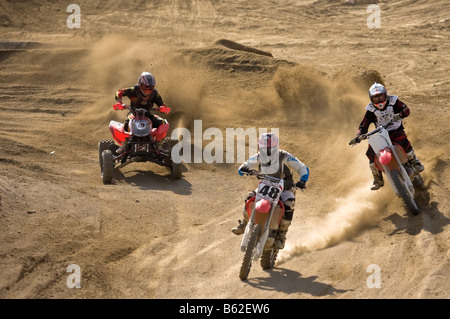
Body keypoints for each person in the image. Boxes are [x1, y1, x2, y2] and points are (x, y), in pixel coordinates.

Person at [231, 132, 310, 249]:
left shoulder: (284, 156)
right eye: (263, 149)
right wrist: (244, 169)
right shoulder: (258, 157)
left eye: (268, 149)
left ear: (275, 148)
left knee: (288, 206)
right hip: (266, 186)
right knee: (250, 197)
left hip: (285, 188)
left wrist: (302, 180)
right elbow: (245, 165)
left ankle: (282, 235)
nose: (266, 152)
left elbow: (301, 167)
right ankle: (244, 223)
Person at [349, 82, 424, 190]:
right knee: (370, 153)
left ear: (385, 95)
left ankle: (414, 160)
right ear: (371, 99)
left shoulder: (393, 102)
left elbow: (406, 109)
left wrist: (400, 115)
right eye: (375, 98)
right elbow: (363, 125)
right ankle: (377, 178)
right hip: (381, 134)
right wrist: (358, 136)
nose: (379, 100)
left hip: (396, 130)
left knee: (403, 140)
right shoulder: (370, 110)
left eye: (381, 97)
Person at [114, 72, 169, 154]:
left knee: (162, 122)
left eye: (150, 87)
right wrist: (119, 102)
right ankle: (124, 145)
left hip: (147, 115)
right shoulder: (133, 90)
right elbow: (119, 92)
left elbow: (161, 103)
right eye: (145, 87)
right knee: (127, 123)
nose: (148, 90)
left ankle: (159, 145)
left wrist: (162, 108)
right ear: (140, 84)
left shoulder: (155, 94)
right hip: (133, 114)